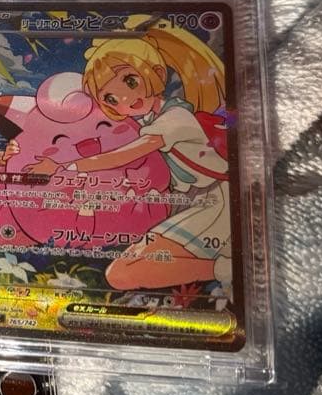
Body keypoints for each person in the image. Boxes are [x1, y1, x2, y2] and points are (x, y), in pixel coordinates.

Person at [24, 16, 230, 291]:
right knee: (122, 272)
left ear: (157, 74)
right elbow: (104, 146)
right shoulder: (145, 121)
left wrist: (66, 168)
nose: (124, 100)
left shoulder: (176, 118)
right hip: (185, 202)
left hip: (214, 203)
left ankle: (226, 270)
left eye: (130, 81)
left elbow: (125, 155)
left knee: (123, 273)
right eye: (110, 98)